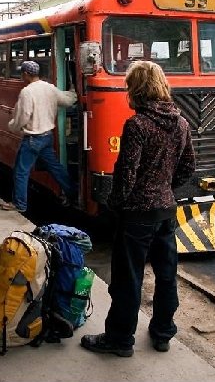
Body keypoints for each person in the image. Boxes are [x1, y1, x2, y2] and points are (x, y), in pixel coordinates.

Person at [80, 60, 195, 358]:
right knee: (167, 276)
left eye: (130, 86)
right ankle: (162, 333)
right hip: (166, 211)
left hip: (138, 216)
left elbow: (126, 174)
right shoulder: (181, 122)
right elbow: (187, 169)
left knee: (128, 279)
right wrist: (165, 189)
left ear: (138, 89)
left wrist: (116, 205)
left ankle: (119, 339)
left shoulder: (138, 125)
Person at [0, 60, 77, 213]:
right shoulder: (49, 88)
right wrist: (74, 91)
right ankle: (72, 193)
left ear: (27, 74)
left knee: (21, 171)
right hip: (47, 137)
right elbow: (68, 100)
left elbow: (23, 116)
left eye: (22, 73)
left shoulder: (27, 92)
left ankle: (19, 204)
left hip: (33, 139)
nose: (22, 76)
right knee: (55, 167)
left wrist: (12, 126)